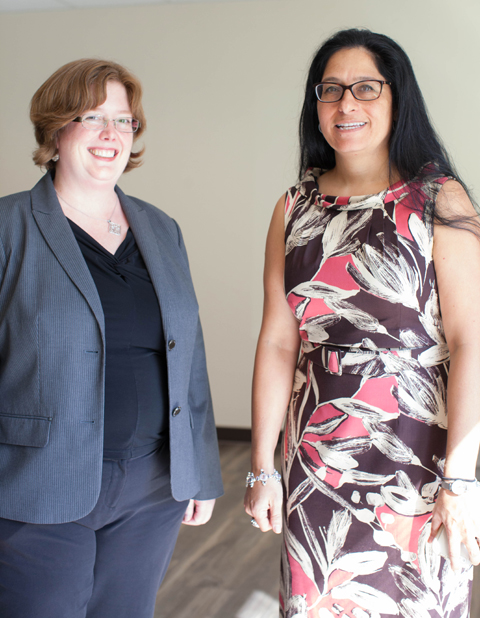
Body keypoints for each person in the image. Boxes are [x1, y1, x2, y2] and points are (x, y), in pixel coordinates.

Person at [244, 28, 480, 617]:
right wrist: (261, 468)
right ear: (315, 106)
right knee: (317, 598)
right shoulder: (294, 207)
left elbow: (469, 339)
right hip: (316, 452)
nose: (346, 104)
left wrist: (460, 479)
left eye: (365, 88)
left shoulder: (438, 200)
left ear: (397, 99)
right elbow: (277, 340)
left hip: (415, 456)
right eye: (330, 90)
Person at [0, 58, 223, 618]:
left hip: (152, 487)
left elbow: (187, 355)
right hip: (38, 488)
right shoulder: (9, 228)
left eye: (123, 121)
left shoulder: (160, 228)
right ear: (55, 130)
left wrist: (198, 468)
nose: (110, 135)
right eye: (91, 117)